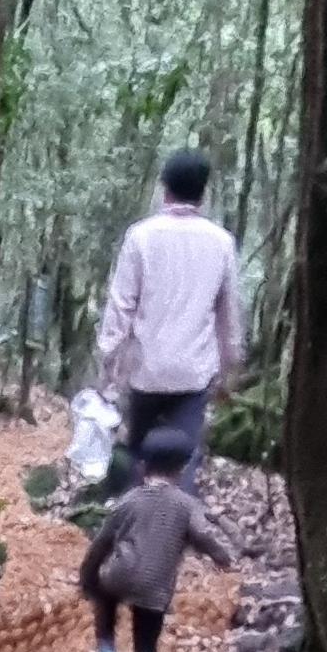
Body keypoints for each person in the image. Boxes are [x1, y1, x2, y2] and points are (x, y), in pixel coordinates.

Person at [95, 148, 245, 486]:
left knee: (140, 455)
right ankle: (177, 529)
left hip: (146, 369)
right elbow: (228, 314)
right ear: (203, 193)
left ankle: (135, 530)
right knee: (184, 460)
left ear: (165, 188)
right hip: (193, 372)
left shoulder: (141, 236)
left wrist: (109, 369)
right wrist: (230, 368)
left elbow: (121, 307)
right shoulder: (221, 243)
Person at [78, 425, 228, 652]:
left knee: (106, 595)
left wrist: (88, 578)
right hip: (154, 586)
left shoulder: (129, 500)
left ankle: (106, 644)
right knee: (145, 647)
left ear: (142, 465)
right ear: (184, 468)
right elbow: (202, 534)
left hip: (119, 574)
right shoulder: (187, 505)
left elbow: (102, 543)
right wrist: (220, 556)